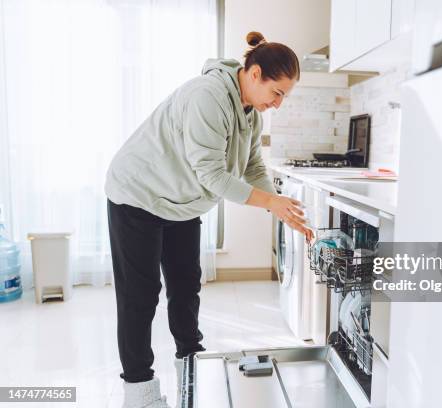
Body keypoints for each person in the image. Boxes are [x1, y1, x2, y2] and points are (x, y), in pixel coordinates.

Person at [105, 31, 312, 408]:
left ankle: (191, 363)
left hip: (182, 203)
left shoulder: (251, 115)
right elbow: (213, 176)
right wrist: (271, 202)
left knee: (186, 286)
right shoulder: (208, 96)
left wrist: (277, 203)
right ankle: (139, 392)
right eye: (277, 92)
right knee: (141, 296)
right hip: (139, 194)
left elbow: (250, 167)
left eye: (285, 96)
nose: (278, 103)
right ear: (254, 74)